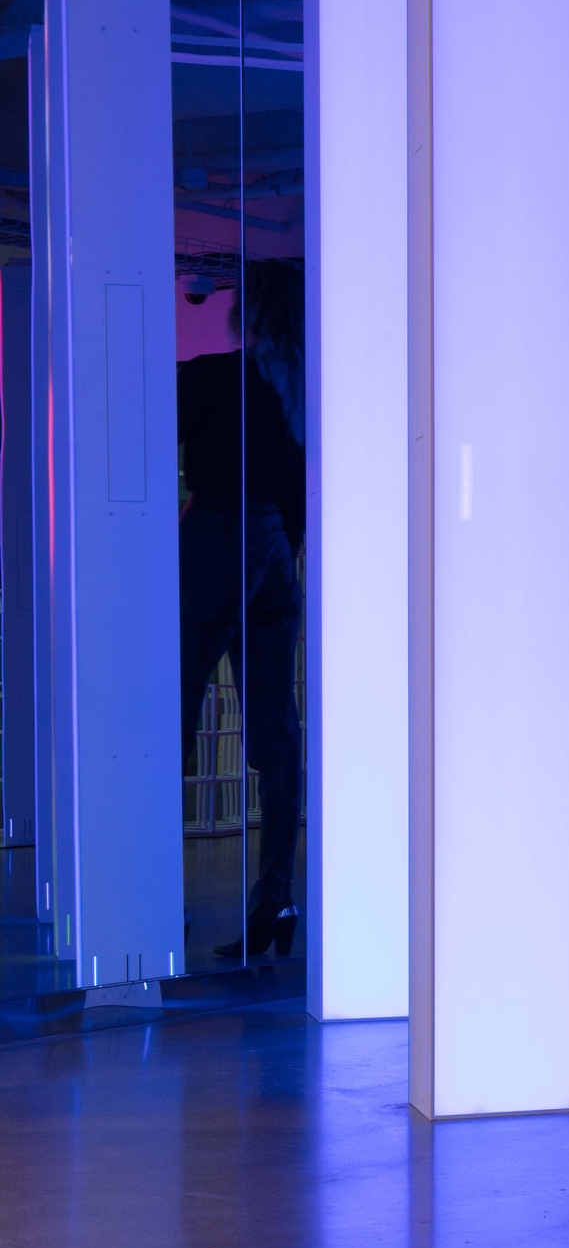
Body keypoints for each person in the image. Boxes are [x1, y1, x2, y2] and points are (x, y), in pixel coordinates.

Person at [178, 259, 307, 961]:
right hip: (276, 551)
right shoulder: (299, 392)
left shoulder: (204, 377)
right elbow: (299, 505)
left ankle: (151, 892)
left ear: (243, 311)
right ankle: (274, 897)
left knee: (175, 709)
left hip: (214, 536)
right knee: (276, 729)